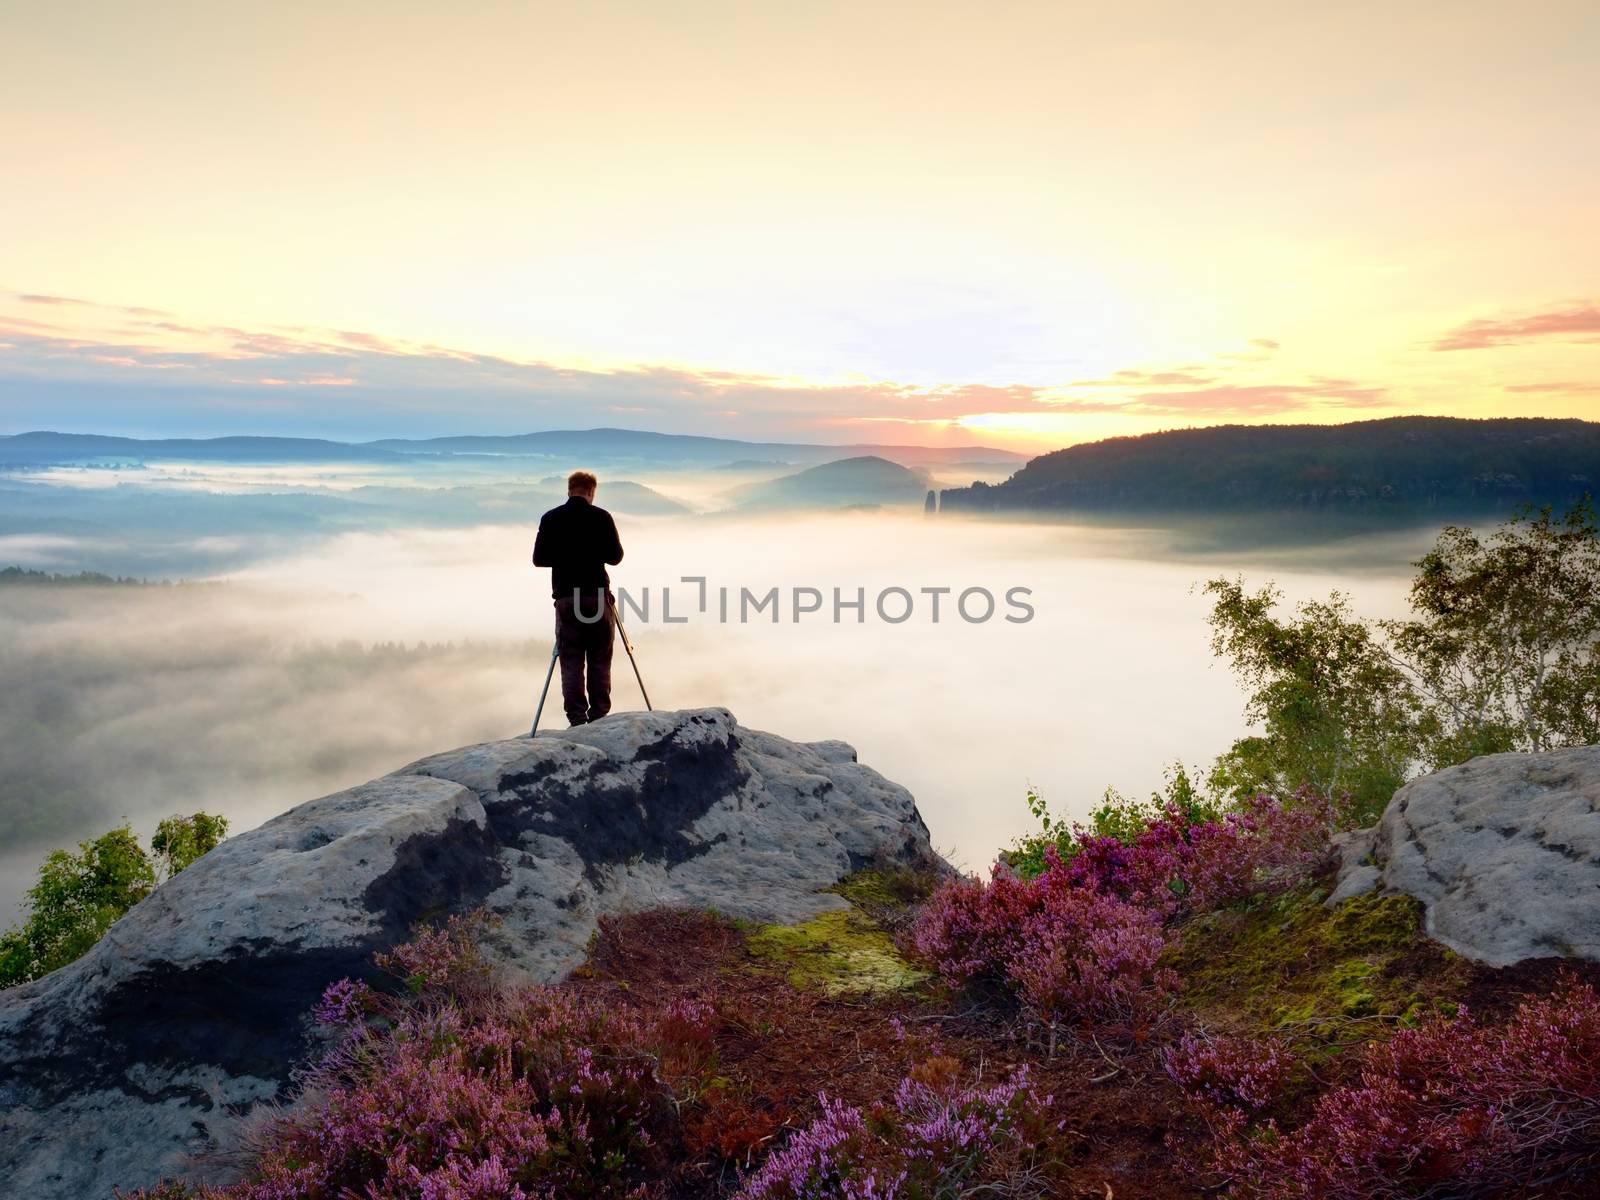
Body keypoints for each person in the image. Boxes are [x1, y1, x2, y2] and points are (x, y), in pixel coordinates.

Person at [532, 470, 624, 726]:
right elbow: (616, 557)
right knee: (599, 656)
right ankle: (599, 716)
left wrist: (564, 555)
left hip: (566, 598)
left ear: (569, 490)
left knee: (571, 658)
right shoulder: (601, 517)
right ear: (592, 492)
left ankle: (576, 718)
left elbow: (539, 559)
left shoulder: (550, 518)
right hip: (596, 597)